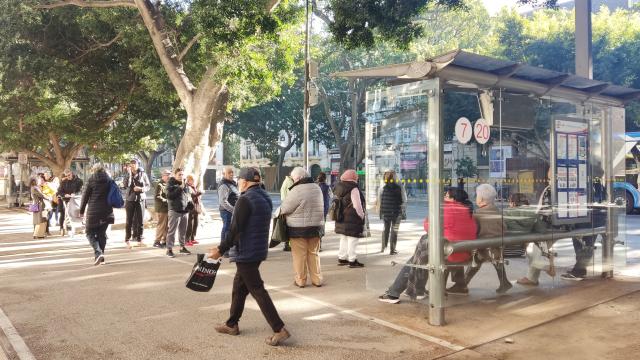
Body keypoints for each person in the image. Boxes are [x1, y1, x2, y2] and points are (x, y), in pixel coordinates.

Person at [208, 167, 290, 346]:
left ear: (244, 182)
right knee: (239, 287)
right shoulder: (264, 197)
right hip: (257, 249)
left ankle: (279, 328)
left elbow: (235, 229)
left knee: (257, 289)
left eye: (239, 181)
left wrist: (220, 249)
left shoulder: (245, 199)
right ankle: (231, 324)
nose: (238, 184)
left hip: (246, 251)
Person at [379, 188, 477, 303]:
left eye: (446, 196)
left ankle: (393, 294)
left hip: (449, 252)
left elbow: (428, 226)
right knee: (423, 255)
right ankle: (418, 290)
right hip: (463, 252)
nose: (444, 198)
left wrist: (428, 221)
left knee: (416, 260)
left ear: (453, 198)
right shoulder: (468, 211)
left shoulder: (447, 209)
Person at [451, 183, 511, 295]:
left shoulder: (478, 214)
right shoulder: (497, 211)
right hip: (497, 247)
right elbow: (504, 228)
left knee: (471, 257)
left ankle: (462, 285)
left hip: (484, 248)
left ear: (482, 199)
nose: (475, 197)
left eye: (477, 195)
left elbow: (472, 231)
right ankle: (504, 282)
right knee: (490, 258)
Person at [280, 167, 325, 288]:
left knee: (299, 255)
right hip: (316, 228)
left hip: (298, 229)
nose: (293, 181)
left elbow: (285, 208)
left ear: (299, 178)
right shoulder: (317, 188)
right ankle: (317, 279)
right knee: (313, 254)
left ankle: (301, 280)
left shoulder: (296, 190)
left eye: (294, 179)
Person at [79, 163, 115, 265]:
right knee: (101, 234)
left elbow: (85, 197)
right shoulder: (109, 180)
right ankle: (101, 257)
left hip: (93, 211)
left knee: (89, 232)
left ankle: (98, 252)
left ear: (94, 170)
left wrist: (81, 211)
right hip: (107, 211)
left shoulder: (91, 180)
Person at [333, 169, 366, 268]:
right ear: (353, 177)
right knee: (352, 239)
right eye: (356, 176)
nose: (357, 177)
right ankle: (352, 260)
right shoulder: (353, 188)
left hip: (340, 216)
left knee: (343, 238)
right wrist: (361, 215)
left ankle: (342, 258)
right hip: (352, 217)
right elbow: (357, 205)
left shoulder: (338, 186)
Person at [377, 170, 406, 255]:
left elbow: (380, 199)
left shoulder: (382, 186)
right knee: (394, 230)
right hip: (396, 212)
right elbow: (404, 199)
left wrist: (381, 210)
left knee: (386, 228)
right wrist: (403, 209)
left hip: (385, 211)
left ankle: (383, 247)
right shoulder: (399, 186)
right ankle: (392, 250)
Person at [123, 159, 151, 248]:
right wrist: (129, 175)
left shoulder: (143, 174)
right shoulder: (128, 174)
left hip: (140, 199)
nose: (133, 166)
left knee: (140, 220)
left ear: (138, 165)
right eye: (131, 164)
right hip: (130, 200)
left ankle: (140, 239)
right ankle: (127, 239)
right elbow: (125, 185)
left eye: (134, 164)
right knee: (129, 221)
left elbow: (148, 186)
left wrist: (141, 189)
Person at [165, 168, 192, 257]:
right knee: (172, 231)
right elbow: (169, 196)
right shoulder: (170, 184)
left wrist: (190, 204)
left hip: (184, 211)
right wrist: (180, 188)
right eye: (179, 175)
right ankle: (169, 249)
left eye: (182, 175)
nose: (181, 176)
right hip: (174, 211)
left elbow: (188, 196)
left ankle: (182, 247)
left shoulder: (185, 184)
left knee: (183, 231)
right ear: (175, 175)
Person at [218, 166, 240, 258]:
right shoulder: (224, 185)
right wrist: (233, 209)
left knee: (231, 230)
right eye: (229, 173)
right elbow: (223, 201)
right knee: (227, 230)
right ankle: (224, 250)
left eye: (232, 172)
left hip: (232, 211)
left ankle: (228, 249)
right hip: (227, 212)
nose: (231, 174)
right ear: (224, 174)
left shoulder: (232, 183)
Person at [57, 169, 83, 234]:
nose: (68, 177)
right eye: (66, 176)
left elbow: (81, 190)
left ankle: (79, 227)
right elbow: (59, 192)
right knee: (63, 214)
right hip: (65, 200)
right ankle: (62, 228)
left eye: (69, 175)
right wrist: (64, 195)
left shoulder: (78, 181)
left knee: (76, 213)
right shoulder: (63, 182)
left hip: (75, 200)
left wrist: (75, 193)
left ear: (71, 173)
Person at [153, 170, 171, 248]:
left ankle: (164, 241)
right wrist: (166, 201)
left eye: (169, 175)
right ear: (163, 176)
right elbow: (157, 196)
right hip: (161, 208)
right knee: (161, 225)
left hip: (167, 208)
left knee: (167, 226)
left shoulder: (168, 184)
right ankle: (157, 241)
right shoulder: (160, 184)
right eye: (167, 175)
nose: (168, 176)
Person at [185, 174, 202, 246]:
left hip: (195, 206)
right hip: (190, 207)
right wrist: (198, 194)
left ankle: (192, 238)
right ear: (188, 180)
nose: (193, 181)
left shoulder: (193, 187)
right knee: (190, 224)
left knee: (195, 223)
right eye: (192, 180)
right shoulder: (187, 187)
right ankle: (187, 240)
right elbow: (190, 197)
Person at [279, 174, 295, 251]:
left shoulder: (286, 181)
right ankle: (287, 245)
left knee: (286, 226)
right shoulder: (290, 182)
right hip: (288, 207)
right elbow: (291, 196)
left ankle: (287, 244)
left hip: (285, 206)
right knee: (289, 227)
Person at [316, 172, 331, 251]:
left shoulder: (316, 187)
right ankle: (319, 245)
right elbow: (330, 198)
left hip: (316, 210)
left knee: (316, 227)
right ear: (325, 179)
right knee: (321, 228)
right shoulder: (327, 187)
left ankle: (317, 245)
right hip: (323, 210)